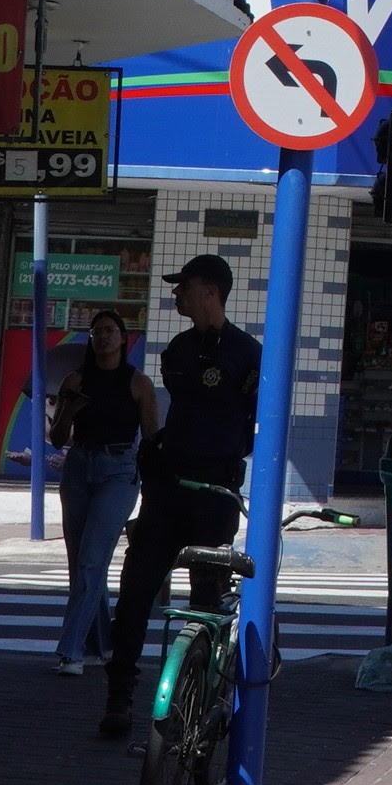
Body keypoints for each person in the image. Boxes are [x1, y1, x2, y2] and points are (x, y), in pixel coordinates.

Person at [99, 255, 259, 738]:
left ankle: (200, 698)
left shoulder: (247, 353)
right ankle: (119, 697)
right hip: (169, 491)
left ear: (209, 291)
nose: (176, 295)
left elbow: (247, 427)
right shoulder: (177, 351)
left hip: (214, 494)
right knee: (133, 595)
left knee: (206, 599)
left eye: (183, 287)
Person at [49, 309, 158, 676]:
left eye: (110, 331)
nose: (103, 337)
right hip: (79, 467)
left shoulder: (138, 383)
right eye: (97, 332)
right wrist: (69, 410)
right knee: (80, 562)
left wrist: (153, 486)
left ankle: (70, 651)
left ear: (123, 338)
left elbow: (152, 438)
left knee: (93, 560)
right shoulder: (75, 379)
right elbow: (58, 438)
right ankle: (103, 645)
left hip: (119, 471)